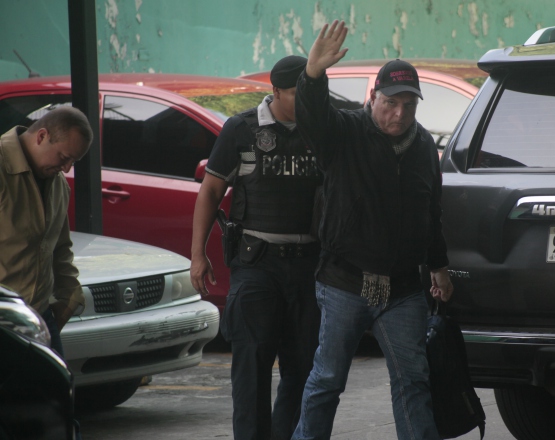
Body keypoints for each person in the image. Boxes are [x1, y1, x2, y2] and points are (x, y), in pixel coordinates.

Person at [291, 20, 454, 440]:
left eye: (409, 105)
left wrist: (439, 266)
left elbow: (431, 211)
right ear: (372, 98)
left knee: (413, 381)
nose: (399, 114)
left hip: (403, 290)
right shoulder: (343, 133)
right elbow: (312, 118)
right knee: (327, 381)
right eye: (390, 103)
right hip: (344, 282)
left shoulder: (423, 150)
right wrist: (312, 75)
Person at [190, 55, 322, 440]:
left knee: (305, 370)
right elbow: (211, 191)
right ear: (276, 91)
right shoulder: (242, 129)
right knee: (251, 370)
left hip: (310, 266)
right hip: (258, 264)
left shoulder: (323, 127)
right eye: (299, 94)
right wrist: (198, 254)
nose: (307, 101)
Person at [0, 105, 92, 356]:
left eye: (74, 161)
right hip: (5, 319)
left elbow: (60, 248)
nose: (67, 169)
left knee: (55, 393)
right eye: (64, 158)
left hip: (40, 316)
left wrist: (70, 299)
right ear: (41, 136)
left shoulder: (58, 185)